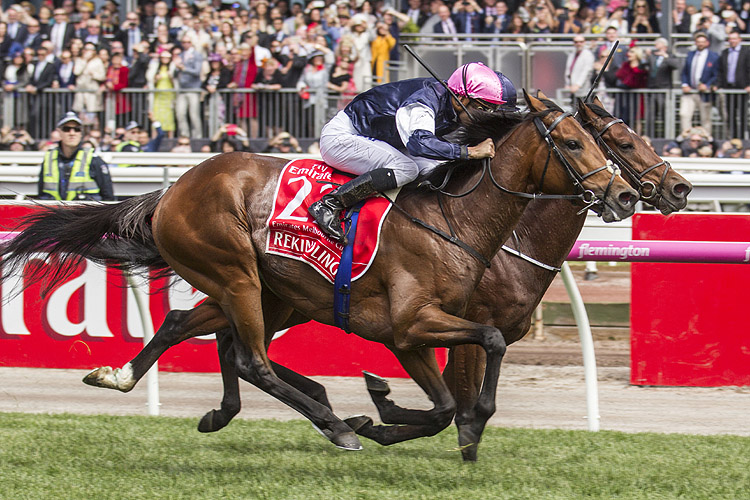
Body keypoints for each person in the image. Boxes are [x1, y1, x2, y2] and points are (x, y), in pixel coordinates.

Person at [309, 61, 517, 244]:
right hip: (342, 137)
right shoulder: (425, 101)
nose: (486, 115)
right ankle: (330, 204)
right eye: (485, 108)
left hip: (379, 140)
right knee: (406, 168)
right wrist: (469, 152)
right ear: (461, 97)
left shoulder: (450, 103)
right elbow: (419, 144)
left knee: (436, 168)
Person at [38, 112, 114, 201]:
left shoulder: (93, 159)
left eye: (77, 129)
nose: (72, 133)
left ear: (81, 133)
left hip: (84, 213)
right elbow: (41, 194)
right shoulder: (49, 157)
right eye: (67, 129)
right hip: (56, 212)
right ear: (59, 132)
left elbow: (108, 196)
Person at [680, 32, 719, 136]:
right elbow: (684, 72)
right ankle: (686, 138)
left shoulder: (714, 57)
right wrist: (684, 84)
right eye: (698, 42)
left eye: (702, 42)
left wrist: (707, 85)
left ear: (707, 43)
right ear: (695, 43)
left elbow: (716, 74)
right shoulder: (690, 54)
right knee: (684, 114)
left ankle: (706, 138)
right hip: (690, 91)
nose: (700, 44)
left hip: (704, 93)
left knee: (705, 118)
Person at [716, 30, 750, 139]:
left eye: (734, 38)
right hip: (729, 88)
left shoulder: (746, 52)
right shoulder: (725, 52)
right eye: (730, 39)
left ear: (740, 40)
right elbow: (721, 70)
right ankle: (734, 137)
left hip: (742, 88)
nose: (732, 41)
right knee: (730, 115)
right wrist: (719, 84)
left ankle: (743, 137)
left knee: (742, 114)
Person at [564, 35, 594, 104]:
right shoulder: (572, 54)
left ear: (584, 42)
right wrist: (567, 83)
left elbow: (586, 71)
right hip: (572, 89)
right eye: (576, 42)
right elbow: (569, 70)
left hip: (583, 90)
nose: (578, 44)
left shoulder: (588, 54)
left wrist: (578, 85)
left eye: (581, 42)